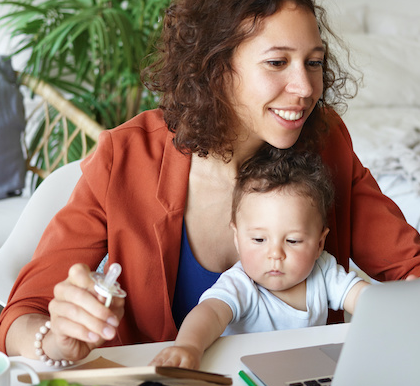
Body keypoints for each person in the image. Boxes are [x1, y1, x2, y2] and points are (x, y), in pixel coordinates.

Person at [0, 0, 420, 365]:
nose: (305, 87)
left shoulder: (326, 141)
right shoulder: (125, 156)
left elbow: (407, 264)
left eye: (314, 63)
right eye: (276, 62)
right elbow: (22, 315)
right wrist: (54, 341)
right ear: (216, 66)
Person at [151, 146, 368, 369]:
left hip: (301, 375)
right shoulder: (242, 284)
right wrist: (189, 346)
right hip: (243, 377)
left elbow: (364, 298)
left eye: (292, 241)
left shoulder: (323, 271)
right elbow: (210, 313)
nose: (275, 254)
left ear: (319, 243)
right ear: (237, 238)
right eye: (259, 240)